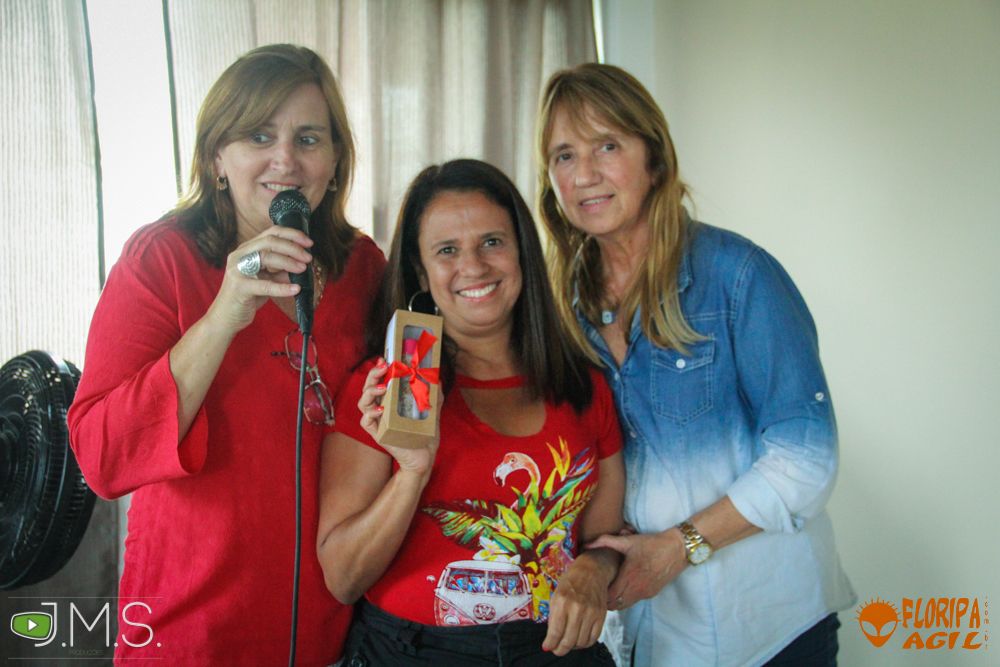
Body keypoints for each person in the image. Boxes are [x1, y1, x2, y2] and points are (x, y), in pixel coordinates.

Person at [67, 44, 385, 666]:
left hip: (332, 635)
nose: (285, 160)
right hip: (189, 634)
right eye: (259, 136)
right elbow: (101, 457)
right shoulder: (160, 259)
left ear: (335, 162)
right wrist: (223, 316)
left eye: (309, 139)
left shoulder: (364, 268)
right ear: (217, 158)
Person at [535, 63, 856, 667]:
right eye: (564, 155)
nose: (585, 174)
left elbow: (807, 459)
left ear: (655, 159)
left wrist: (680, 546)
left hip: (765, 629)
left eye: (608, 146)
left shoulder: (738, 276)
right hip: (647, 635)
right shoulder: (561, 310)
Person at [317, 159, 625, 666]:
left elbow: (604, 540)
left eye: (492, 242)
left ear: (522, 252)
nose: (474, 266)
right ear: (421, 271)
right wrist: (411, 473)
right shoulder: (382, 390)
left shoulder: (583, 387)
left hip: (554, 650)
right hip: (410, 652)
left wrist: (596, 568)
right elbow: (343, 579)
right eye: (447, 250)